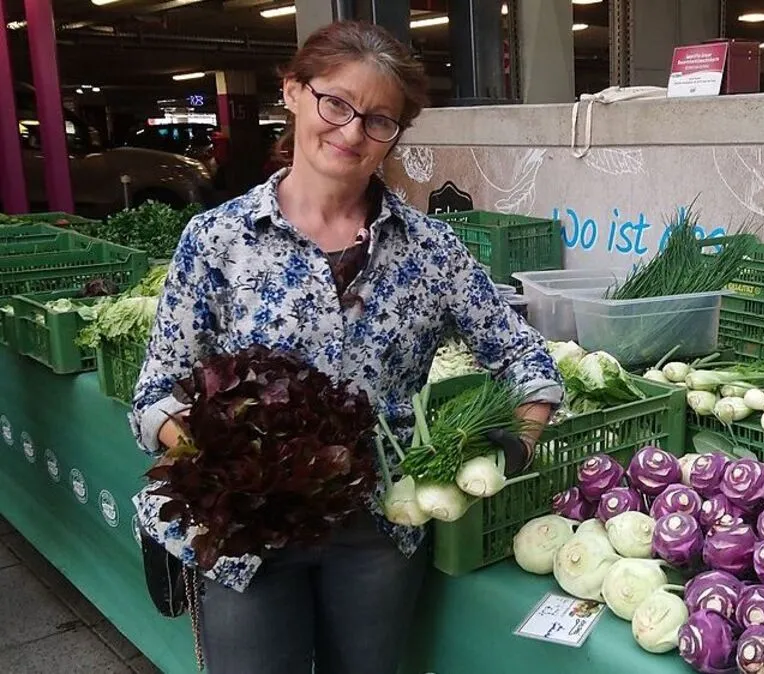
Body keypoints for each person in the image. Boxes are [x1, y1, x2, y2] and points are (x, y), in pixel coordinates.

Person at [128, 20, 563, 674]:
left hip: (375, 534)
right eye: (336, 102)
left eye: (380, 120)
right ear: (294, 92)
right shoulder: (217, 240)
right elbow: (154, 396)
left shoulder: (431, 252)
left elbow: (529, 366)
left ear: (396, 133)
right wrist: (225, 454)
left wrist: (516, 444)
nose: (353, 132)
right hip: (245, 538)